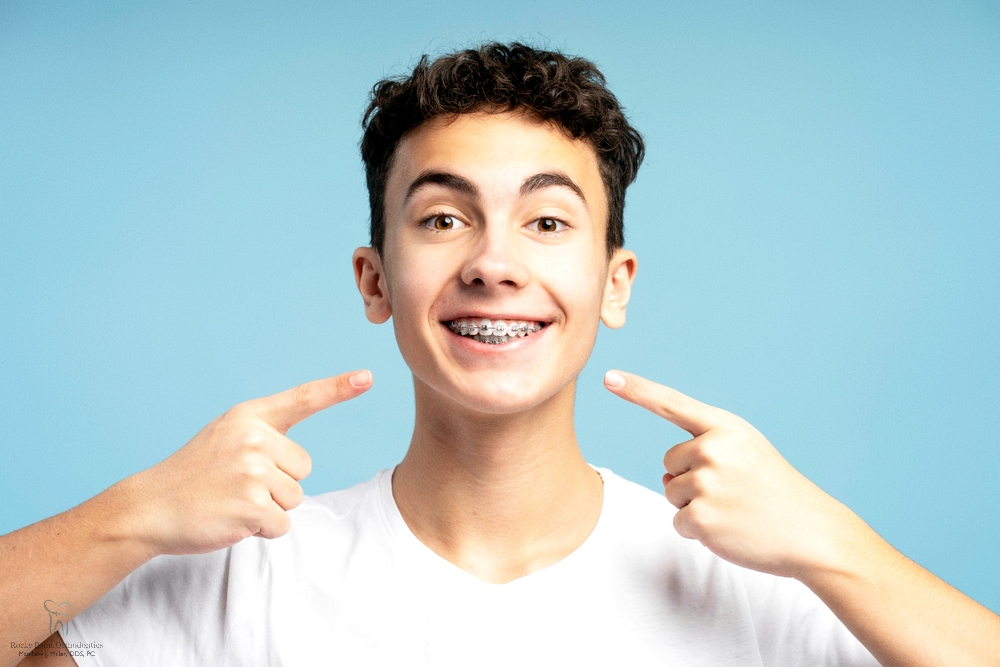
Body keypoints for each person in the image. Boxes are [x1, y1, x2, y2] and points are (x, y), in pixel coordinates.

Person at [3, 42, 998, 667]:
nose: (493, 263)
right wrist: (132, 515)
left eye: (548, 222)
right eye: (443, 217)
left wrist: (837, 544)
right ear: (374, 279)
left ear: (616, 282)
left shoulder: (763, 584)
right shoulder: (234, 581)